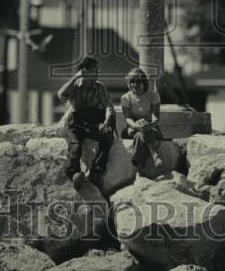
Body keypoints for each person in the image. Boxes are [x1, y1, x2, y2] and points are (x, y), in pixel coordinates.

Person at [57, 56, 116, 186]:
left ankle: (96, 172)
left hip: (93, 123)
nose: (97, 73)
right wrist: (75, 77)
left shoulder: (100, 87)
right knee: (76, 145)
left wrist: (106, 123)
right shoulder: (75, 86)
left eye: (97, 70)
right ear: (84, 71)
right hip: (75, 124)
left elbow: (109, 107)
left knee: (107, 136)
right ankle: (75, 174)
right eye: (93, 70)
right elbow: (61, 95)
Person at [121, 67, 163, 171]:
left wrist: (147, 126)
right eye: (132, 82)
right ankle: (155, 155)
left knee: (141, 133)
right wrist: (136, 125)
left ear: (144, 82)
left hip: (152, 127)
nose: (134, 85)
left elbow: (156, 118)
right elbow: (128, 118)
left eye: (138, 82)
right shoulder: (126, 98)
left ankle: (138, 167)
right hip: (132, 128)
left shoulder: (153, 95)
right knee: (139, 130)